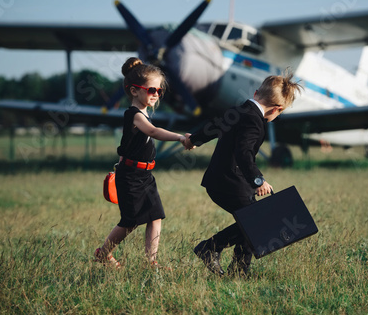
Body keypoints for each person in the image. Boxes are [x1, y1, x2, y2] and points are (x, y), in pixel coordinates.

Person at [184, 71, 301, 276]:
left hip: (219, 182)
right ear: (277, 109)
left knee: (252, 222)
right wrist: (258, 180)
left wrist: (193, 140)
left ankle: (239, 271)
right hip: (230, 183)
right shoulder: (255, 121)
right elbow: (244, 153)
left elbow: (213, 127)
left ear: (256, 93)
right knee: (258, 222)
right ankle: (210, 248)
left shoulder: (238, 110)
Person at [94, 57, 187, 269]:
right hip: (130, 176)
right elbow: (153, 132)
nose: (156, 94)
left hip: (146, 176)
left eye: (159, 91)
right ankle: (103, 253)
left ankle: (151, 261)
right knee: (130, 221)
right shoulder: (134, 115)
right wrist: (180, 137)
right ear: (134, 91)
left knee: (156, 217)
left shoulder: (144, 112)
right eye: (151, 90)